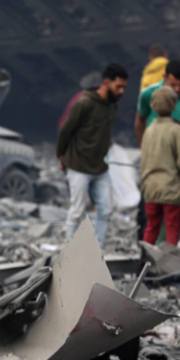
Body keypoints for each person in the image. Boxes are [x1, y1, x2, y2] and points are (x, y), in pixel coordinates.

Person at [57, 63, 128, 246]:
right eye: (118, 87)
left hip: (99, 168)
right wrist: (62, 156)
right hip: (78, 166)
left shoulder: (111, 105)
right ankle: (70, 251)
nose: (121, 91)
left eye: (123, 87)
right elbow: (65, 130)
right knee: (77, 211)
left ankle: (96, 250)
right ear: (106, 83)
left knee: (106, 210)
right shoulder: (83, 103)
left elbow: (102, 129)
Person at [140, 86, 180, 245]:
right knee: (172, 227)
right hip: (170, 190)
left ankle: (145, 258)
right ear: (173, 104)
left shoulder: (148, 130)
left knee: (151, 227)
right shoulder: (176, 130)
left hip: (150, 189)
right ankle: (169, 260)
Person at [135, 59, 180, 146]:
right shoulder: (148, 94)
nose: (177, 89)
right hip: (155, 147)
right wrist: (143, 147)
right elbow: (140, 120)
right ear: (164, 76)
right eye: (173, 84)